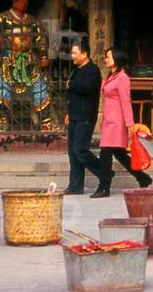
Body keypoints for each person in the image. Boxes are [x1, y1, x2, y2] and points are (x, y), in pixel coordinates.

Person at [0, 0, 53, 131]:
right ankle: (2, 120)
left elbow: (41, 40)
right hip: (9, 61)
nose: (25, 3)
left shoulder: (32, 21)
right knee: (3, 87)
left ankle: (45, 121)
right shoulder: (2, 18)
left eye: (26, 0)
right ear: (15, 2)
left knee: (40, 87)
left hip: (29, 63)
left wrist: (44, 57)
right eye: (22, 0)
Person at [94, 47, 152, 197]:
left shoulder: (122, 78)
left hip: (117, 122)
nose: (106, 59)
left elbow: (126, 101)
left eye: (108, 57)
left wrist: (129, 123)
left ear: (117, 59)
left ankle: (104, 187)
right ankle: (143, 178)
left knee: (105, 153)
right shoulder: (111, 76)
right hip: (109, 120)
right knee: (119, 154)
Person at [63, 42, 105, 195]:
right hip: (75, 115)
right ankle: (75, 185)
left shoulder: (92, 71)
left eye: (75, 53)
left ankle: (104, 172)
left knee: (80, 149)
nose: (72, 56)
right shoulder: (76, 70)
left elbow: (88, 89)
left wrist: (72, 84)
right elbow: (73, 94)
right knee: (72, 152)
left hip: (85, 116)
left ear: (85, 54)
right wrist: (69, 113)